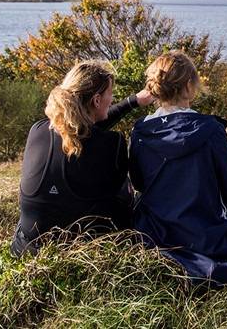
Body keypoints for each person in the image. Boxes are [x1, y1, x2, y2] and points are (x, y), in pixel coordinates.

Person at [129, 50, 227, 284]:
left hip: (156, 232)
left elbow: (139, 184)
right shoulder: (211, 129)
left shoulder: (139, 131)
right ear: (188, 86)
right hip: (209, 235)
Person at [11, 60, 153, 256]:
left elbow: (83, 131)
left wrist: (133, 101)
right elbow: (91, 136)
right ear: (96, 101)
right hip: (90, 246)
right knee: (130, 188)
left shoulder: (38, 130)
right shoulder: (113, 143)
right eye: (109, 94)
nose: (111, 99)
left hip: (28, 248)